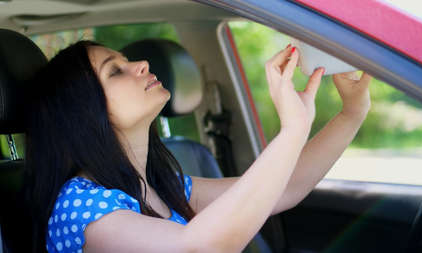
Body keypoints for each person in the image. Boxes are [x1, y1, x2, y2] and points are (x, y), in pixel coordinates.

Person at [24, 41, 371, 253]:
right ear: (82, 113)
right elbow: (198, 248)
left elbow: (286, 188)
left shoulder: (161, 185)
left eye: (126, 60)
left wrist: (352, 113)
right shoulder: (80, 206)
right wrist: (292, 130)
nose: (140, 64)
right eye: (115, 71)